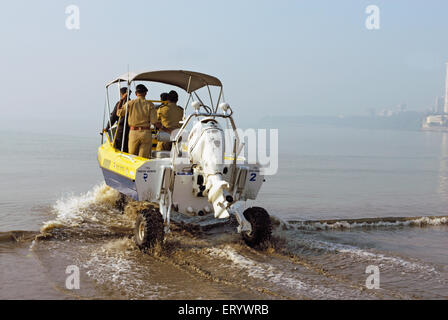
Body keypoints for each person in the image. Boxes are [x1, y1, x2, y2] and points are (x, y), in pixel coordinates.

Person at [119, 84, 156, 158]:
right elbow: (154, 121)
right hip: (146, 133)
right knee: (143, 158)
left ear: (136, 93)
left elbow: (119, 113)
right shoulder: (150, 105)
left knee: (132, 157)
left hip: (134, 133)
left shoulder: (130, 103)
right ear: (145, 93)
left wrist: (121, 100)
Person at [104, 87, 131, 152]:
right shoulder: (133, 103)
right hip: (131, 129)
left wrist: (107, 128)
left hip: (122, 128)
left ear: (122, 94)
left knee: (119, 144)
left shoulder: (120, 104)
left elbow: (113, 117)